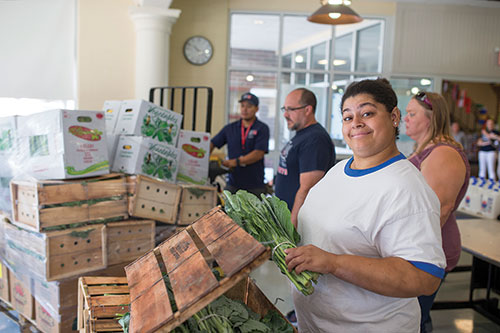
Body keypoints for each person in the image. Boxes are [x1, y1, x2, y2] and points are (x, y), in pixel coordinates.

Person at [285, 78, 446, 332]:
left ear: (394, 117)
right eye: (348, 117)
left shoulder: (406, 188)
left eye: (367, 113)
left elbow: (423, 276)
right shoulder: (339, 171)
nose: (356, 123)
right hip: (316, 325)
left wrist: (334, 263)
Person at [405, 91, 470, 333]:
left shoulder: (443, 153)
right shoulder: (424, 148)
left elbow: (437, 211)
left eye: (412, 114)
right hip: (416, 248)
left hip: (427, 249)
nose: (405, 119)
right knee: (411, 316)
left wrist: (404, 249)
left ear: (432, 118)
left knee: (414, 319)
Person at [274, 88, 336, 227]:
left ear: (308, 110)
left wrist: (293, 224)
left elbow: (307, 188)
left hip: (300, 223)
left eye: (291, 109)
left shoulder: (315, 139)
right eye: (284, 109)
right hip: (285, 216)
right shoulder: (302, 134)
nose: (285, 114)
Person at [210, 92, 270, 196]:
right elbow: (212, 143)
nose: (244, 109)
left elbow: (258, 153)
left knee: (255, 212)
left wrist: (237, 161)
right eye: (242, 106)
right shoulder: (230, 128)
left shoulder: (262, 128)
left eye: (249, 106)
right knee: (226, 211)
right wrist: (201, 159)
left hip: (255, 186)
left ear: (256, 109)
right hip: (234, 184)